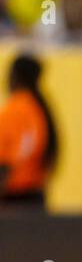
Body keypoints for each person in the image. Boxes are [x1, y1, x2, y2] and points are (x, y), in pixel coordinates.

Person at [0, 53, 59, 208]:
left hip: (15, 201)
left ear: (15, 76)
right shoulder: (38, 109)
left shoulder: (15, 110)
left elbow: (5, 162)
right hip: (35, 198)